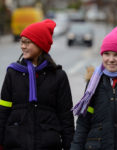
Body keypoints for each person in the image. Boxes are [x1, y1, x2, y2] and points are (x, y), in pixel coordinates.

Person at [0, 19, 74, 150]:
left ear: (41, 45)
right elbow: (3, 111)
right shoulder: (12, 73)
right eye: (22, 42)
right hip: (15, 144)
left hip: (48, 145)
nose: (23, 46)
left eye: (28, 42)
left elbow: (66, 116)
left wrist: (70, 146)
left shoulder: (58, 76)